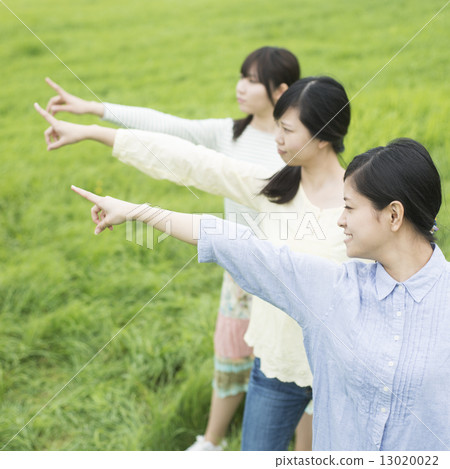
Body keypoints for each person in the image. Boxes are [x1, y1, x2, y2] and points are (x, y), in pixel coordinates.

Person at [71, 137, 449, 450]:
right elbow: (236, 243)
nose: (340, 218)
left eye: (349, 207)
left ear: (394, 215)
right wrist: (138, 212)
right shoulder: (332, 290)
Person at [35, 75, 351, 450]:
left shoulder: (361, 201)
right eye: (277, 128)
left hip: (341, 368)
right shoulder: (274, 188)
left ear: (325, 135)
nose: (277, 139)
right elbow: (192, 162)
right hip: (276, 365)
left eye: (287, 130)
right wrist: (96, 133)